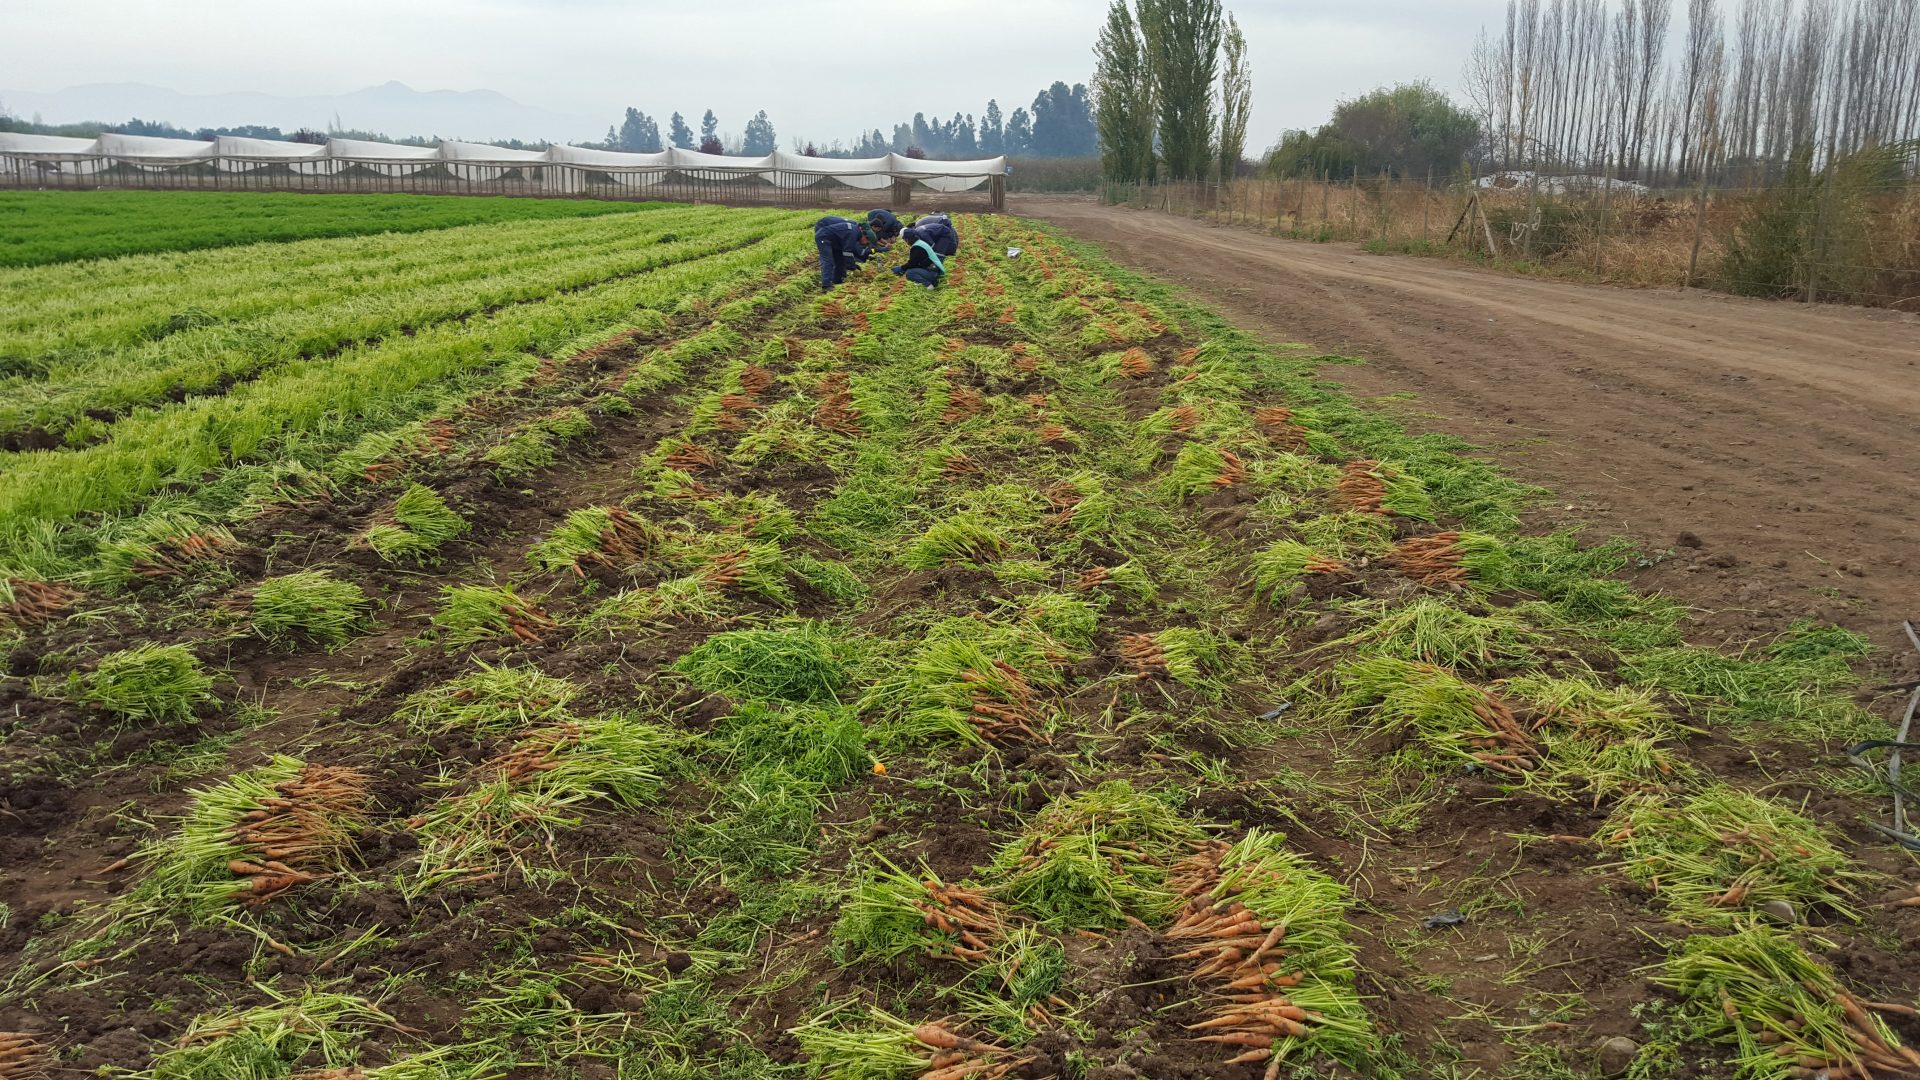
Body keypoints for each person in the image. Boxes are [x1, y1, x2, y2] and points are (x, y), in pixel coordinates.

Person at [813, 215, 879, 291]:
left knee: (840, 259)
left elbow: (847, 253)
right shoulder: (853, 233)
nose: (865, 244)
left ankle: (837, 280)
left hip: (834, 241)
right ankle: (826, 285)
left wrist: (853, 265)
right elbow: (847, 252)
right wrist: (853, 268)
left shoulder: (856, 233)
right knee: (828, 260)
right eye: (867, 243)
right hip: (824, 237)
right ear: (865, 236)